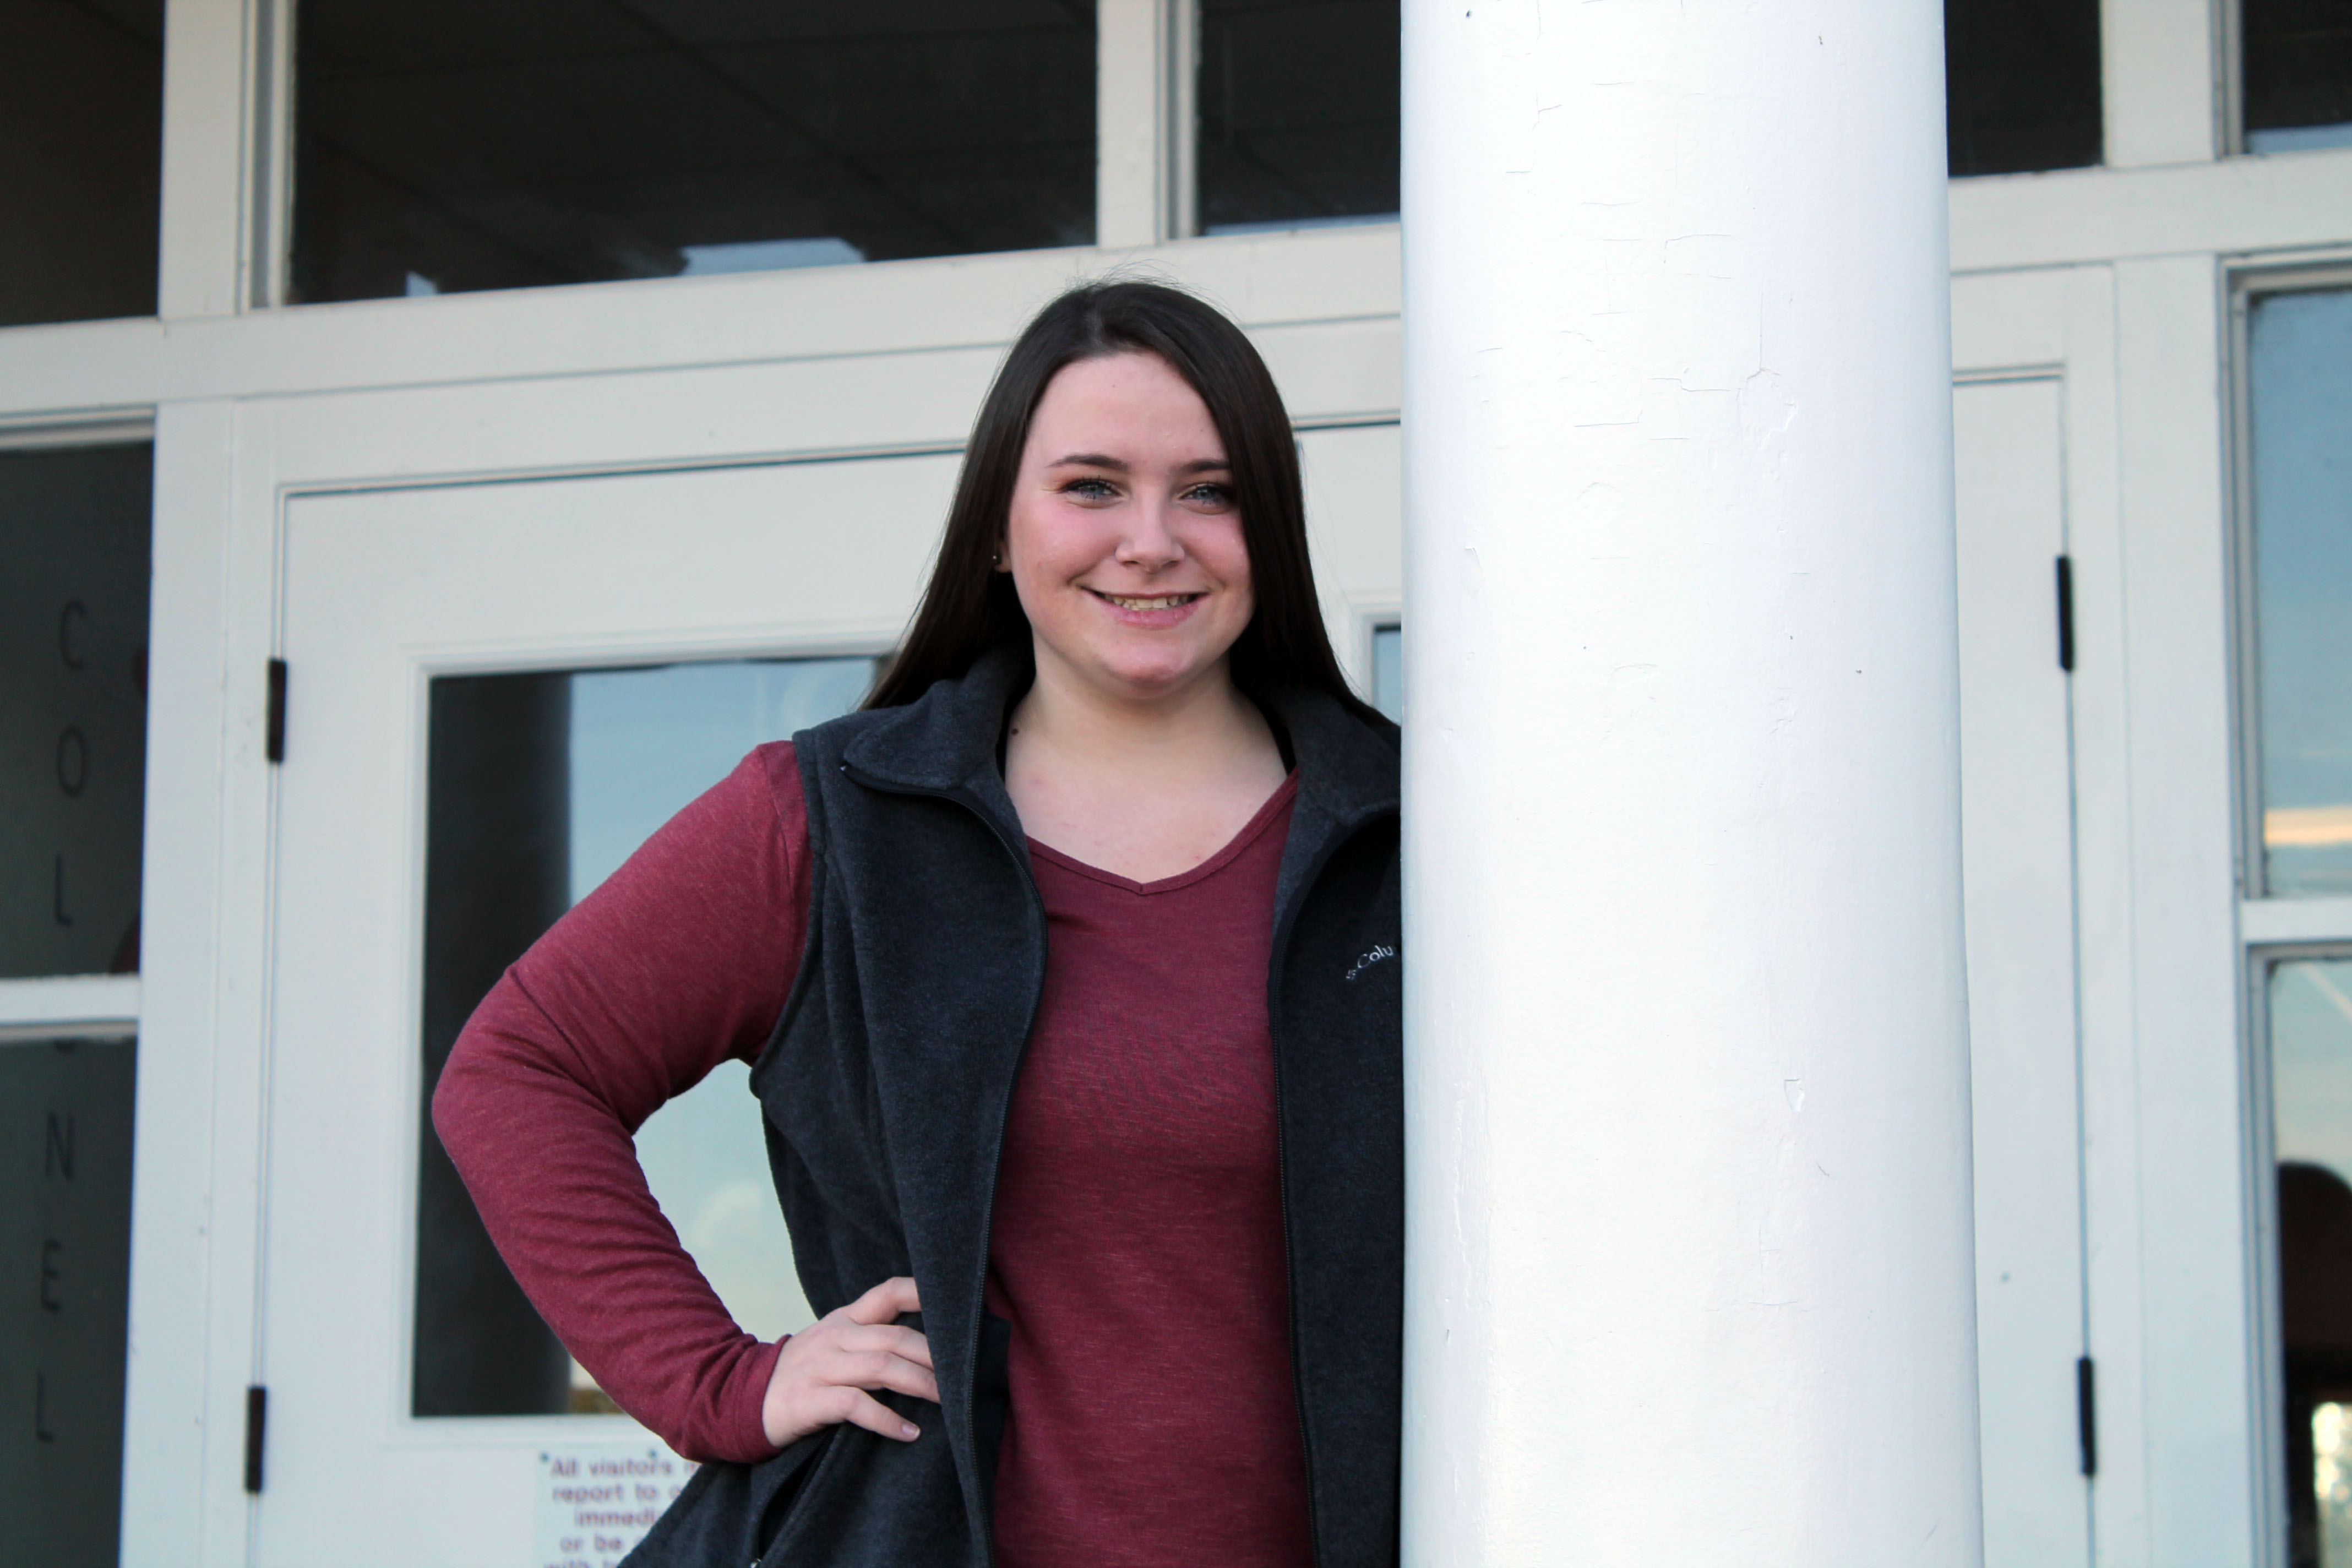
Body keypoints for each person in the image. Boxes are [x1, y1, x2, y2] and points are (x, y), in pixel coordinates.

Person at [433, 280, 1402, 1568]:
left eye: (1209, 491)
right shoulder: (830, 824)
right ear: (999, 525)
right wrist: (715, 1380)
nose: (1151, 539)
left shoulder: (1414, 837)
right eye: (1093, 486)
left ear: (1266, 529)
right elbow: (517, 1070)